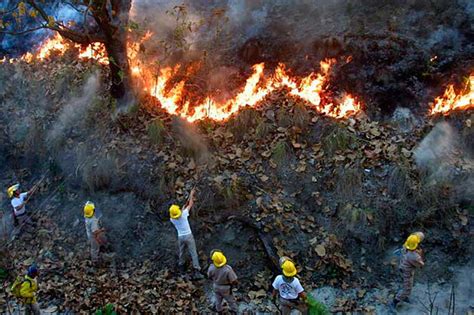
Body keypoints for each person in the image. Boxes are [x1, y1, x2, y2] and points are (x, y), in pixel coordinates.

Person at [169, 188, 202, 276]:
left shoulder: (172, 219)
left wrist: (183, 208)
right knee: (193, 252)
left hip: (180, 237)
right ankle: (197, 270)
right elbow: (191, 204)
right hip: (188, 236)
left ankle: (182, 269)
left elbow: (180, 213)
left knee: (182, 252)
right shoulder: (183, 214)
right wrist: (191, 194)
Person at [392, 232, 425, 308]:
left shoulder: (405, 246)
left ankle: (405, 297)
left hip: (402, 266)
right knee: (407, 288)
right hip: (407, 271)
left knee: (407, 284)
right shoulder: (415, 256)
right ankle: (396, 300)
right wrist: (420, 254)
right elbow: (421, 264)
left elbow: (419, 235)